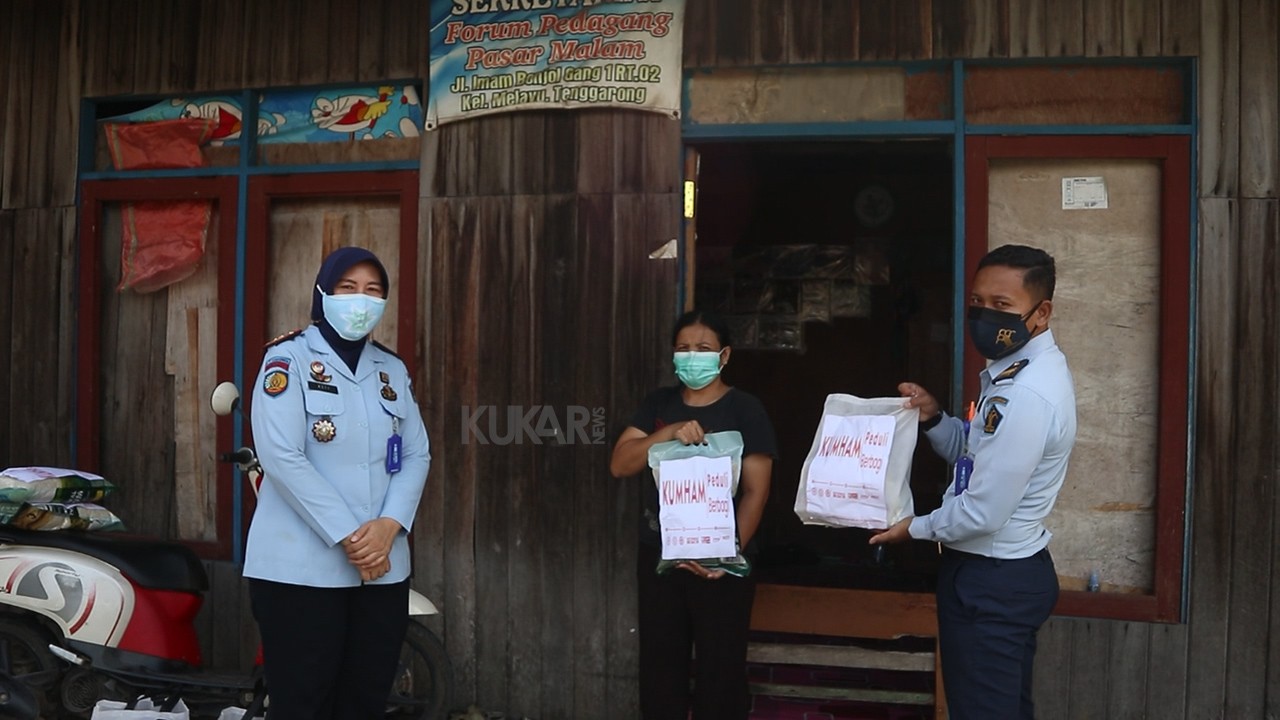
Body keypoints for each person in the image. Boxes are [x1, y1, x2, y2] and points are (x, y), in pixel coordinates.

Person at [869, 244, 1076, 720]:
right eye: (977, 302)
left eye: (1002, 305)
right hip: (997, 573)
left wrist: (912, 528)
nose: (984, 315)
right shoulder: (1016, 373)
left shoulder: (1026, 393)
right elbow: (978, 453)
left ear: (1041, 313)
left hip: (993, 582)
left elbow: (983, 512)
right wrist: (933, 417)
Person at [245, 246, 431, 720]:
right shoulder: (287, 361)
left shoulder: (391, 369)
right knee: (302, 703)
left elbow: (416, 453)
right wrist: (354, 537)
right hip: (300, 571)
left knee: (365, 701)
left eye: (373, 290)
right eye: (347, 288)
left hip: (382, 569)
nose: (360, 300)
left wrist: (389, 526)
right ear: (323, 293)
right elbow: (282, 457)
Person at [609, 310, 777, 720]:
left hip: (723, 565)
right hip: (661, 558)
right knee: (660, 669)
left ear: (724, 356)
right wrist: (667, 432)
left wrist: (726, 555)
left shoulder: (745, 409)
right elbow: (620, 463)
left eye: (703, 349)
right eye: (683, 348)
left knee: (721, 672)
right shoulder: (659, 404)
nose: (692, 356)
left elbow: (756, 492)